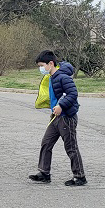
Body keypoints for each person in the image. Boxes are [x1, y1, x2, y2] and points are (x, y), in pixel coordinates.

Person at [29, 50, 87, 186]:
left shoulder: (63, 77)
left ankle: (80, 176)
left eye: (41, 65)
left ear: (51, 63)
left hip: (66, 117)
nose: (40, 69)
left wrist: (61, 105)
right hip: (55, 117)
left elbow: (73, 93)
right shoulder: (51, 77)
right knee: (46, 143)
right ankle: (44, 173)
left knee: (71, 147)